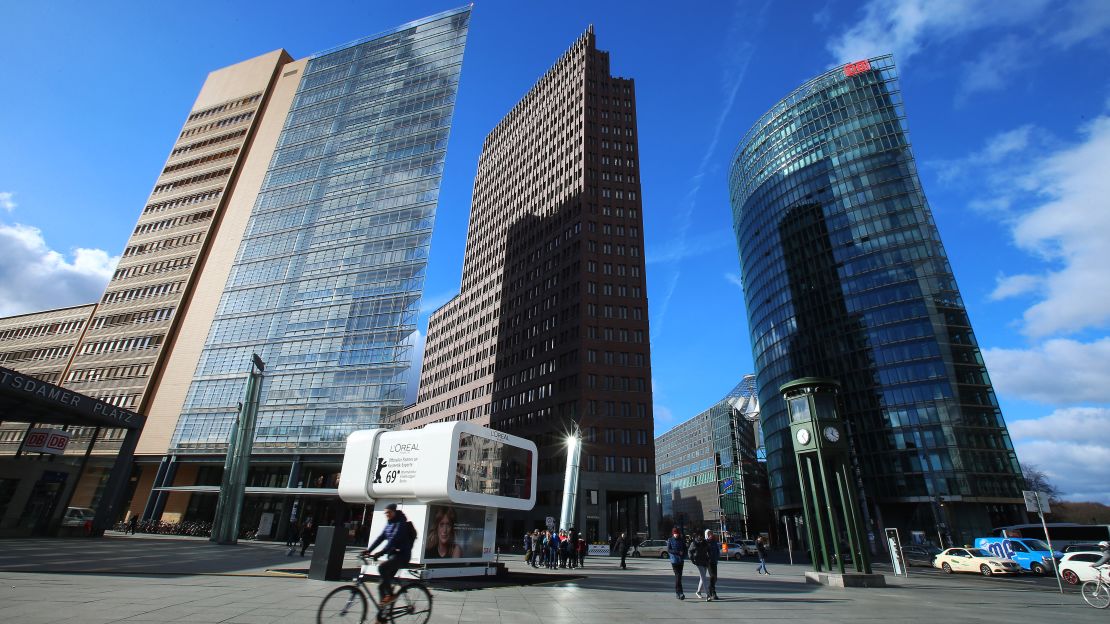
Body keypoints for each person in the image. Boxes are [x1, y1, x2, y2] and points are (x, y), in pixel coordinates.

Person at [364, 503, 416, 608]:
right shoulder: (389, 523)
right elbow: (381, 537)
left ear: (394, 511)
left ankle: (390, 596)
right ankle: (383, 614)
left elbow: (393, 540)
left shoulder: (401, 523)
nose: (386, 514)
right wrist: (368, 551)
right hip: (393, 556)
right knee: (381, 587)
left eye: (388, 512)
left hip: (402, 555)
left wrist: (381, 552)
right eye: (385, 513)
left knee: (382, 568)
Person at [688, 531, 711, 601]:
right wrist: (692, 560)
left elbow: (709, 550)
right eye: (699, 536)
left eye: (701, 536)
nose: (700, 537)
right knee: (704, 577)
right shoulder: (694, 543)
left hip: (705, 561)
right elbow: (689, 551)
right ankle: (708, 595)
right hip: (698, 562)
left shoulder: (705, 542)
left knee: (702, 578)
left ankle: (698, 592)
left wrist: (709, 557)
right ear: (697, 536)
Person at [667, 527, 686, 599]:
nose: (676, 534)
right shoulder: (670, 540)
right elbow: (669, 549)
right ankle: (679, 592)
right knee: (678, 577)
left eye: (677, 533)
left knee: (679, 577)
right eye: (675, 533)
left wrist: (683, 555)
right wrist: (678, 552)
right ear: (673, 533)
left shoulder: (681, 540)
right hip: (674, 561)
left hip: (681, 560)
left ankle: (679, 593)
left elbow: (685, 549)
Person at [705, 529, 720, 600]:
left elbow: (717, 550)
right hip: (709, 562)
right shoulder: (705, 542)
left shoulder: (714, 541)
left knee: (715, 578)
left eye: (711, 533)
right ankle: (712, 592)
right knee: (712, 576)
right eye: (709, 534)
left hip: (714, 561)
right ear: (707, 535)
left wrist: (717, 558)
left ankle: (710, 589)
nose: (710, 535)